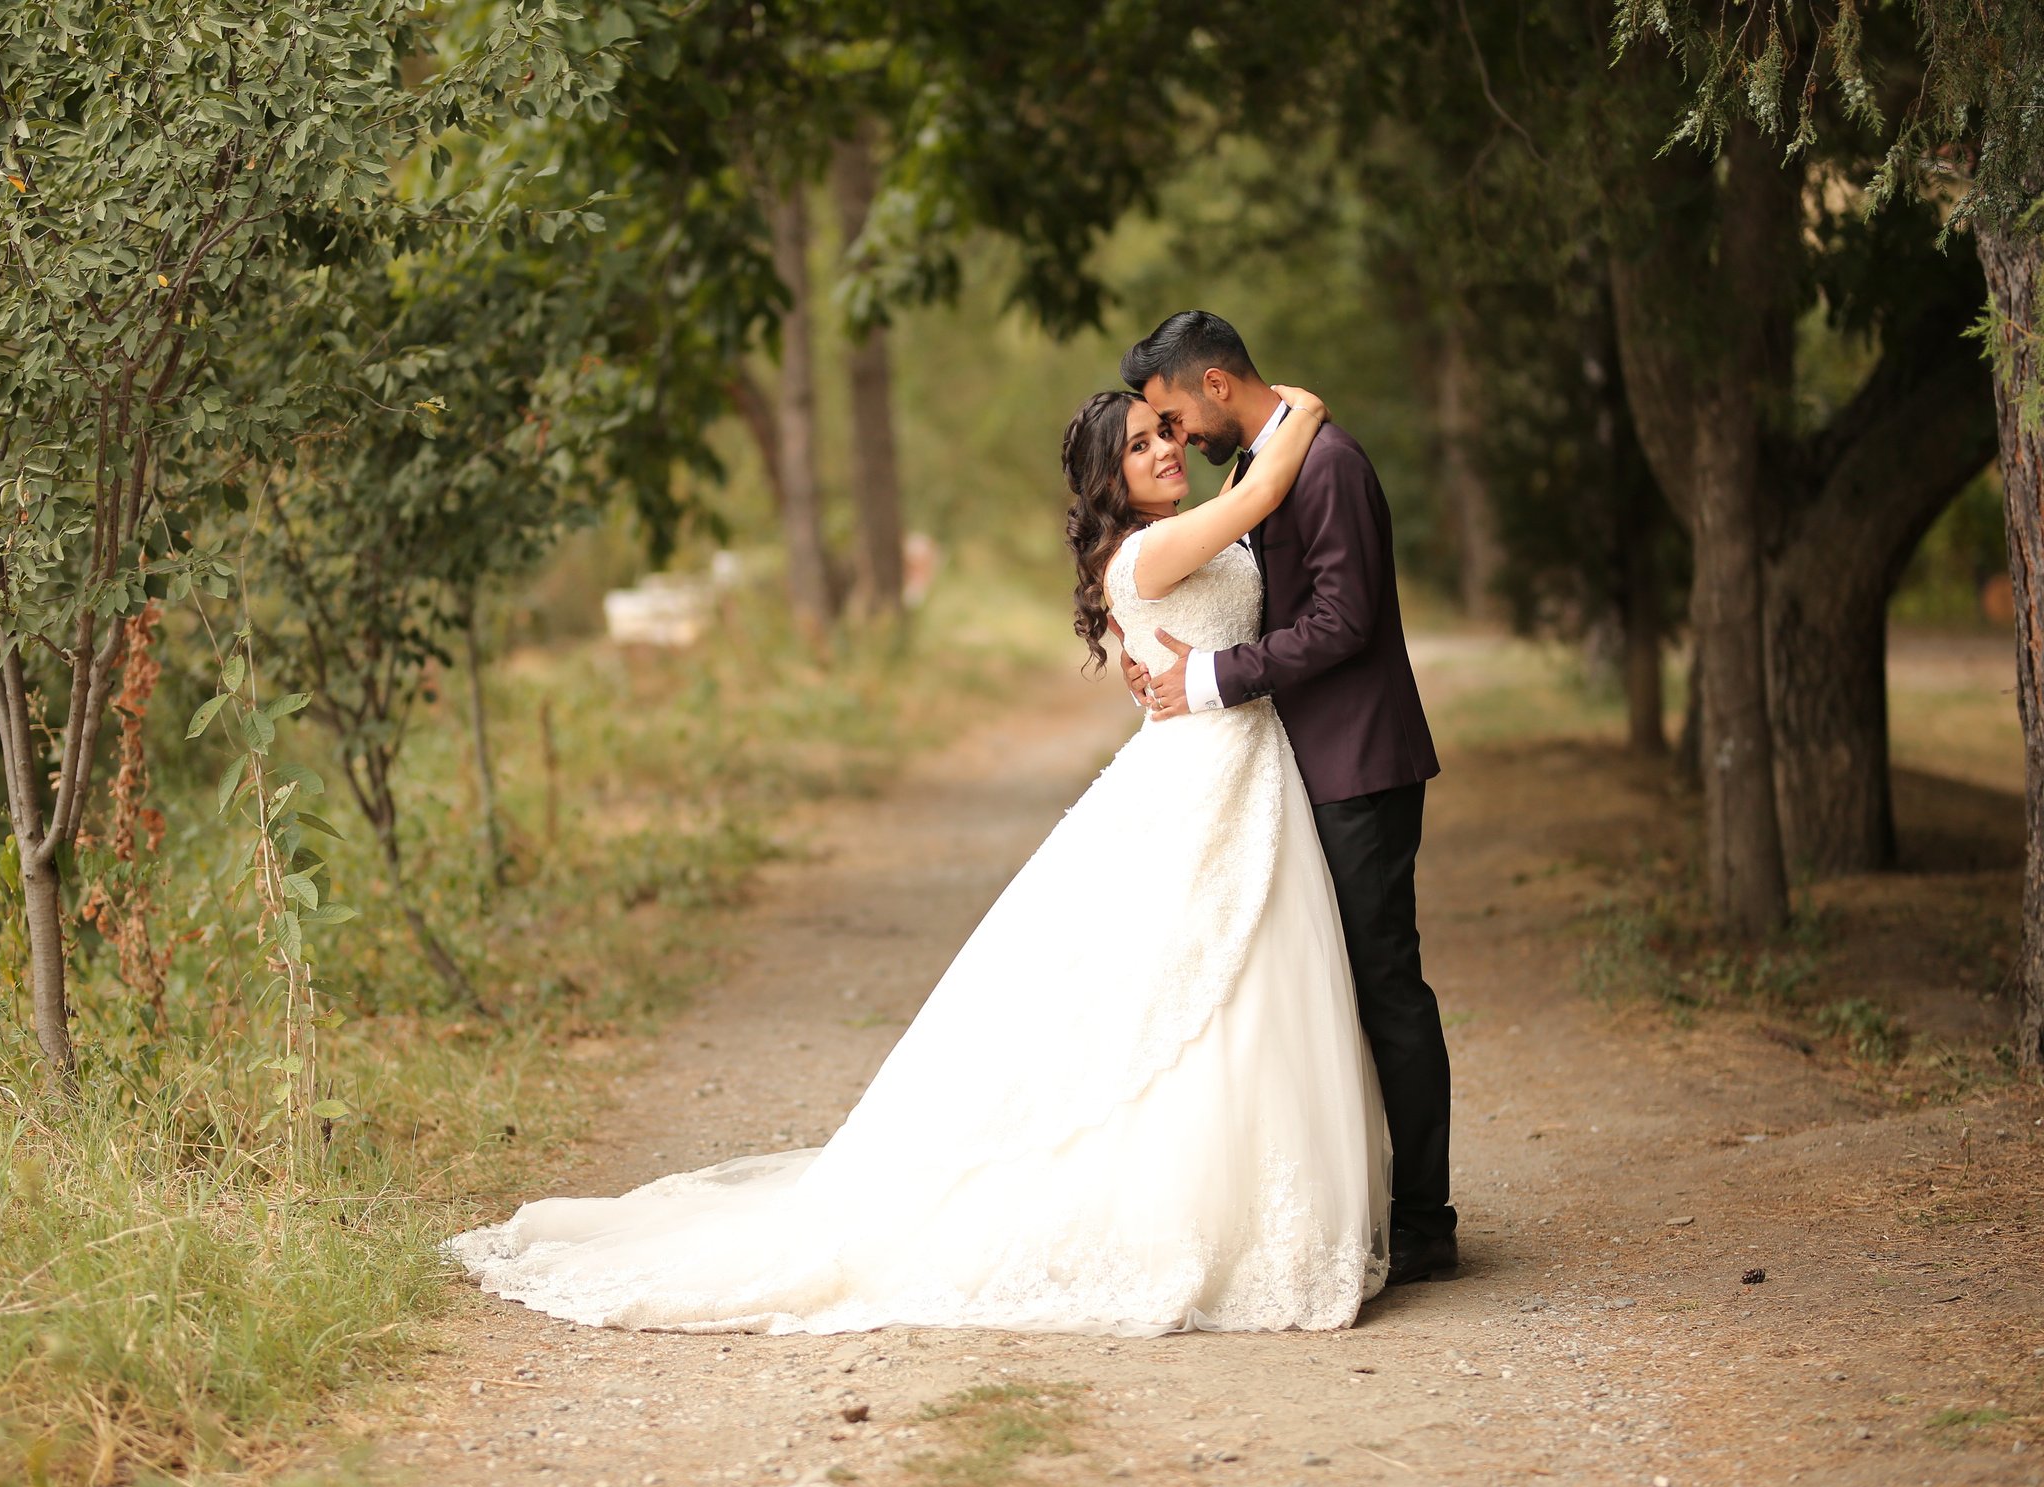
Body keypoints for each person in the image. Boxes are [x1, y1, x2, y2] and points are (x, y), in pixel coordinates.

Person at [449, 382, 1393, 1334]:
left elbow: (1182, 632)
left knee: (1241, 978)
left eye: (1166, 434)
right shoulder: (1149, 549)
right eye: (1144, 444)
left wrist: (1174, 668)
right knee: (1176, 984)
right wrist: (1301, 408)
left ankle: (1251, 1195)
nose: (1167, 449)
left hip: (1241, 763)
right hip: (1200, 772)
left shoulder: (1172, 538)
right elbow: (1262, 494)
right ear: (1109, 477)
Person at [1119, 310, 1456, 1285]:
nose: (1176, 436)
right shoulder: (1259, 467)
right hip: (1292, 771)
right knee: (1315, 995)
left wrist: (1217, 677)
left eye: (1175, 413)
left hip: (1360, 766)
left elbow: (1346, 623)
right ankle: (1350, 1205)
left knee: (1386, 987)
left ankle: (1427, 1220)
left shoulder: (1330, 464)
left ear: (1216, 385)